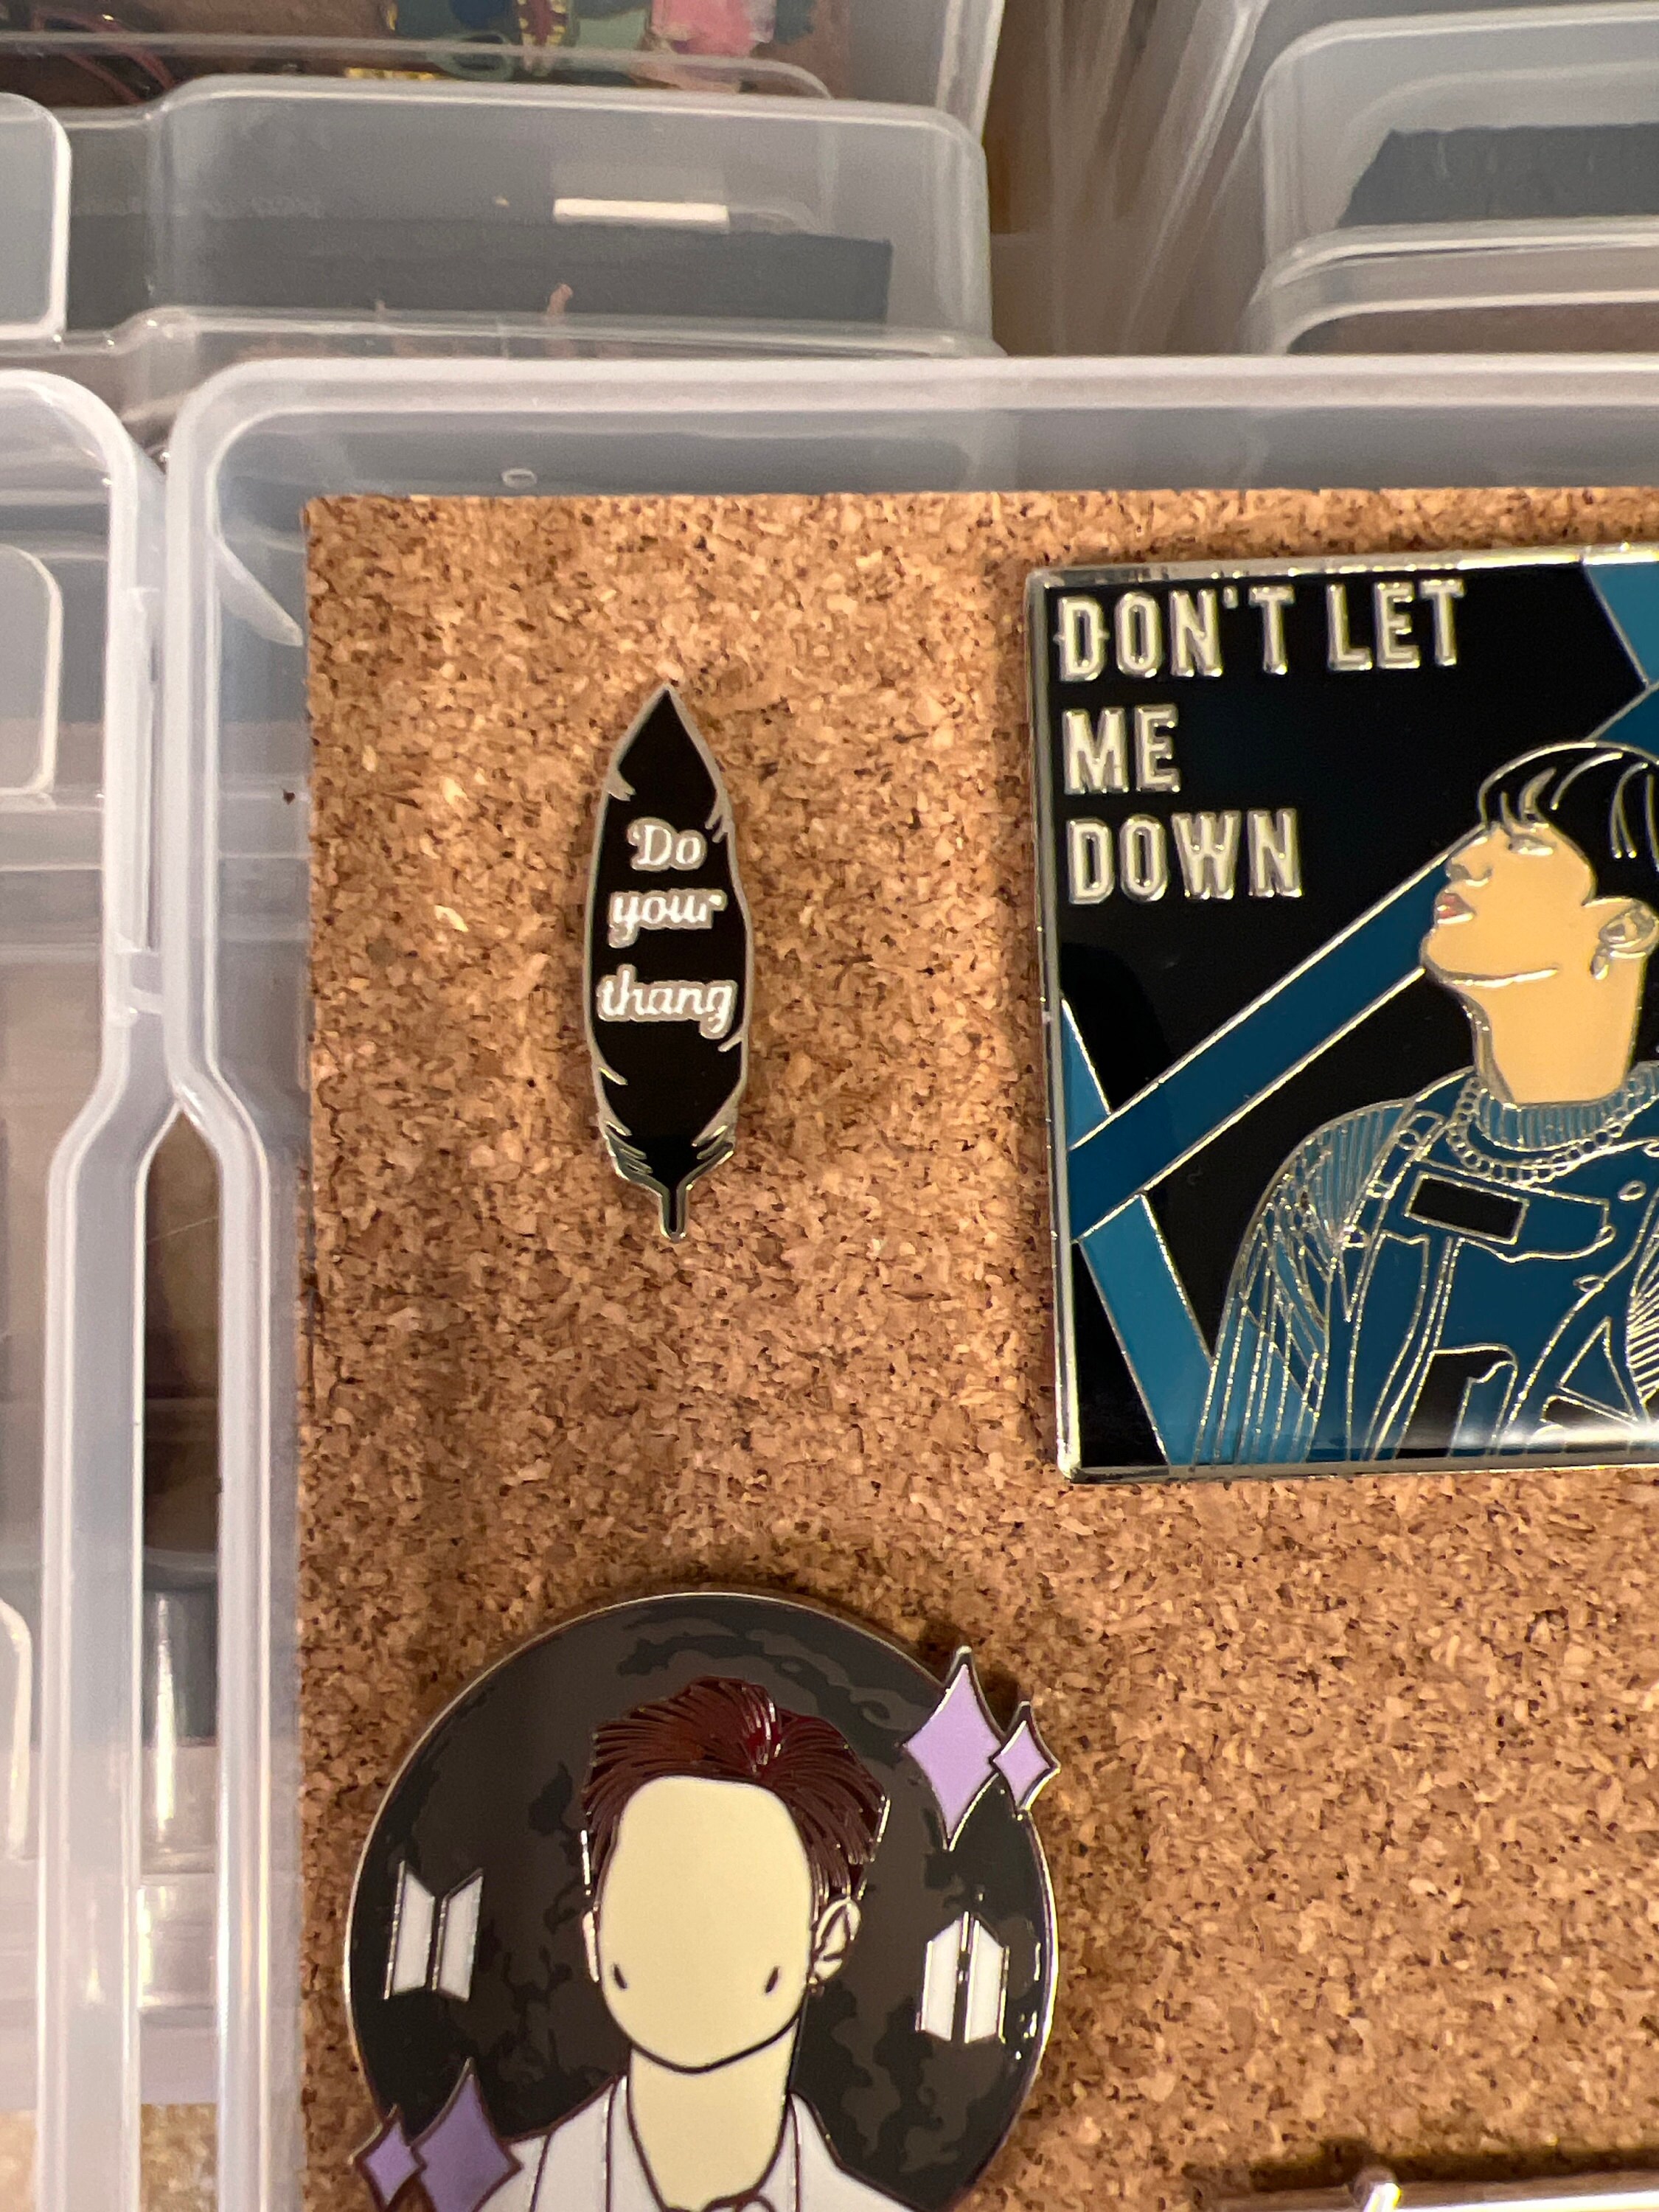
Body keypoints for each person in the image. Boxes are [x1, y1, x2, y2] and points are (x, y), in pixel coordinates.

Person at [1198, 738, 1659, 1465]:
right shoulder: (1344, 1169)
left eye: (1525, 846)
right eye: (1484, 835)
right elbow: (1239, 1474)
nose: (1465, 859)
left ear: (1622, 928)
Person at [484, 1675, 900, 2212]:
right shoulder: (493, 2199)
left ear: (828, 1942)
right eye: (652, 1886)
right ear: (595, 1930)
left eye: (740, 1896)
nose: (686, 1935)